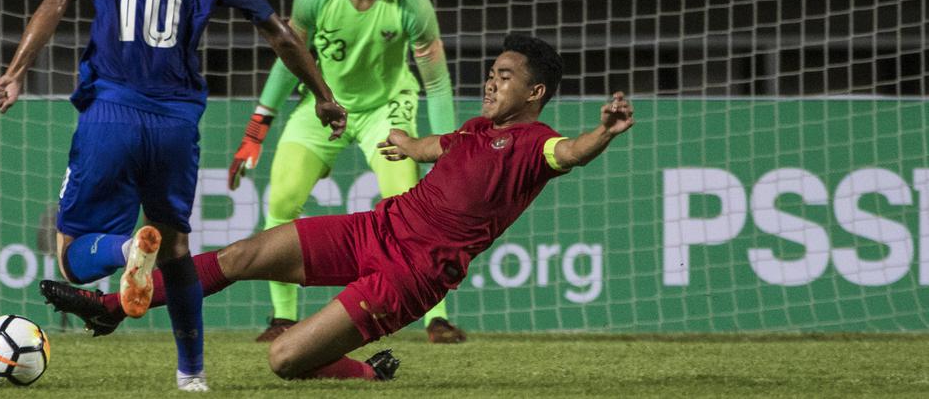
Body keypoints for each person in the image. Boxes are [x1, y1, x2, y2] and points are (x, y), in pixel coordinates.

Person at [40, 34, 635, 382]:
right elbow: (441, 147)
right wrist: (407, 145)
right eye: (491, 72)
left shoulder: (536, 144)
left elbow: (572, 153)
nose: (490, 81)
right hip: (377, 228)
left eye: (504, 77)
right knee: (243, 252)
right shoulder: (480, 127)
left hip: (414, 272)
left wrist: (603, 133)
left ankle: (367, 372)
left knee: (285, 359)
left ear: (534, 93)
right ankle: (111, 305)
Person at [0, 0, 347, 393]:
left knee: (73, 258)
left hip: (111, 114)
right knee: (177, 247)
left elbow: (56, 1)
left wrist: (15, 71)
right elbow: (280, 35)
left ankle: (128, 248)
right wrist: (323, 94)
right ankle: (192, 374)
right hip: (177, 125)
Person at [226, 0, 465, 344]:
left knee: (411, 209)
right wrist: (257, 128)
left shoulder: (412, 3)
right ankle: (282, 318)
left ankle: (438, 319)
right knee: (281, 200)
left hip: (386, 110)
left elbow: (438, 82)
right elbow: (288, 56)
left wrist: (444, 148)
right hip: (325, 105)